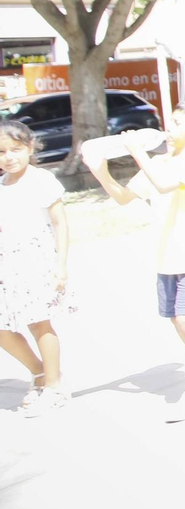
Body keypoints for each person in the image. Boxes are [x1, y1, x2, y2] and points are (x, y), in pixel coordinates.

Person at [88, 100, 185, 421]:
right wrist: (100, 171)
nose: (168, 130)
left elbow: (162, 186)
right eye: (168, 123)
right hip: (165, 255)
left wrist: (137, 152)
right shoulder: (159, 161)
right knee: (177, 319)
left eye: (176, 124)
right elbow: (122, 197)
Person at [0, 120, 69, 417]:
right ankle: (39, 372)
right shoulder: (2, 184)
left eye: (15, 149)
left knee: (39, 323)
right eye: (2, 151)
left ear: (30, 147)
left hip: (36, 262)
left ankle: (54, 388)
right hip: (7, 264)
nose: (8, 157)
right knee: (4, 328)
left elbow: (60, 224)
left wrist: (61, 265)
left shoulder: (41, 180)